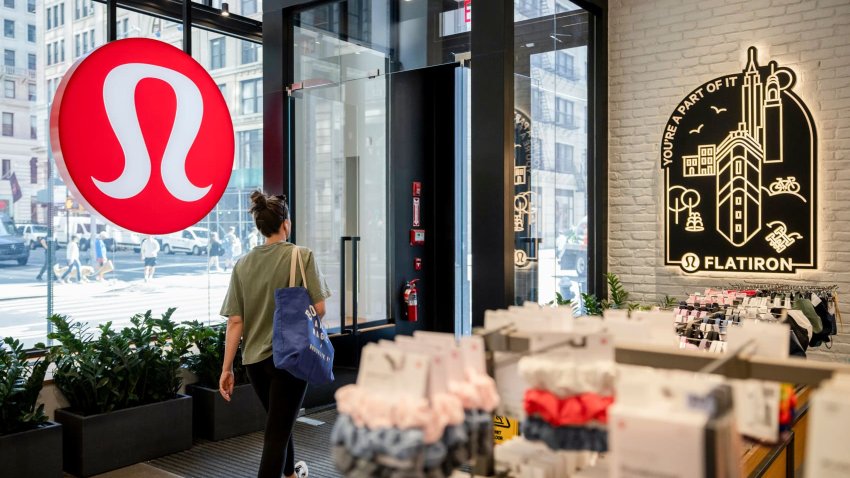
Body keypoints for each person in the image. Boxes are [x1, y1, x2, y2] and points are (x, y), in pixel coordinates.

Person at [219, 191, 331, 478]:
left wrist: (227, 367)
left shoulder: (242, 264)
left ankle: (291, 474)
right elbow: (319, 307)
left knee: (279, 422)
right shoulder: (300, 255)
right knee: (276, 434)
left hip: (255, 361)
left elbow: (235, 321)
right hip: (290, 358)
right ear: (286, 223)